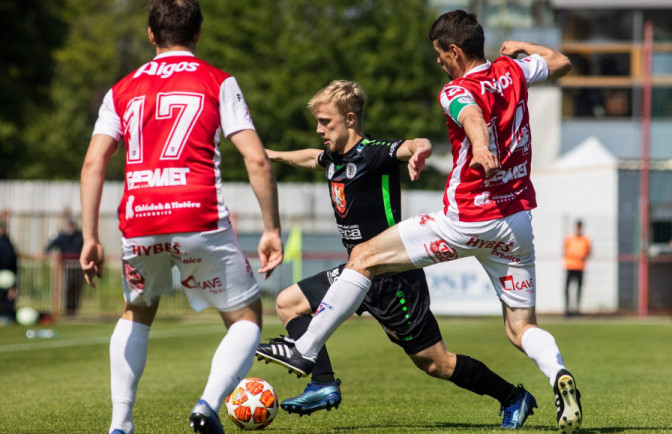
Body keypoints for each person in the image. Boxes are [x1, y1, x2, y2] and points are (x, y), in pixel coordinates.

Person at [255, 10, 582, 433]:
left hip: (467, 216)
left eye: (440, 55)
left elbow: (472, 116)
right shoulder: (513, 71)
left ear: (454, 50)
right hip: (516, 221)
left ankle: (305, 350)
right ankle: (558, 375)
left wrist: (480, 148)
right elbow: (560, 62)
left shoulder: (455, 90)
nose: (439, 63)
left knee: (365, 259)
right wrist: (524, 48)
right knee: (522, 328)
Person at [258, 80, 534, 428]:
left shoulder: (375, 152)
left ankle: (513, 396)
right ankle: (323, 383)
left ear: (350, 119)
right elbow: (310, 159)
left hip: (394, 277)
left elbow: (412, 145)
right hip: (357, 272)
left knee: (436, 363)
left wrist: (420, 150)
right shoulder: (332, 158)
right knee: (288, 303)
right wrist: (273, 155)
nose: (319, 130)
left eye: (325, 123)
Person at [79, 1, 283, 433]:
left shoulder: (121, 89)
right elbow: (258, 160)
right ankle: (208, 404)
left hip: (140, 220)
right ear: (198, 34)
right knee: (245, 318)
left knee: (137, 311)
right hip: (199, 216)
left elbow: (94, 163)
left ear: (151, 35)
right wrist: (271, 228)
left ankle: (121, 424)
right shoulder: (217, 81)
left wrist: (88, 237)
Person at [45, 216, 84, 316]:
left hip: (79, 265)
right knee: (69, 287)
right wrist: (45, 252)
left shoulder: (80, 236)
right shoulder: (63, 236)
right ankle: (68, 309)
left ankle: (74, 309)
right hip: (67, 265)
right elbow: (52, 244)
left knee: (77, 287)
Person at [562, 220, 591, 317]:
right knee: (567, 289)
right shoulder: (569, 239)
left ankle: (577, 309)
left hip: (580, 267)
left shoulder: (585, 240)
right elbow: (565, 251)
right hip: (570, 266)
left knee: (578, 289)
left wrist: (582, 256)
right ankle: (567, 309)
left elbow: (588, 252)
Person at [0, 219, 18, 324]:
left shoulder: (8, 242)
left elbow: (13, 262)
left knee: (9, 299)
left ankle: (8, 317)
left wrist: (14, 283)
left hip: (9, 277)